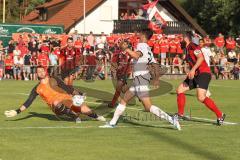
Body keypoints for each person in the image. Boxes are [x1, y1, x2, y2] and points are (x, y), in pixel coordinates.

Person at [100, 29, 181, 130]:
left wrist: (126, 49)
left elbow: (137, 55)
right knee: (124, 100)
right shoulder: (148, 48)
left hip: (141, 79)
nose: (138, 35)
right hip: (139, 79)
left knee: (148, 107)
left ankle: (172, 119)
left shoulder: (141, 45)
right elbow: (155, 64)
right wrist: (156, 78)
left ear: (143, 35)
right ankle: (112, 123)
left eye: (139, 34)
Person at [4, 66, 106, 123]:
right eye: (38, 71)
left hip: (67, 99)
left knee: (86, 111)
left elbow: (66, 87)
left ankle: (97, 117)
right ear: (37, 74)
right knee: (57, 102)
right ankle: (74, 116)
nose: (41, 72)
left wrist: (79, 93)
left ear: (45, 72)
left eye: (42, 70)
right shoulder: (37, 88)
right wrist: (17, 111)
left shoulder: (54, 79)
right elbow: (28, 102)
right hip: (56, 106)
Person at [175, 32, 225, 126]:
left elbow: (201, 58)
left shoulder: (193, 46)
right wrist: (188, 70)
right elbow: (191, 62)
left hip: (203, 73)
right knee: (179, 90)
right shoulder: (186, 49)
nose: (179, 40)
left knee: (201, 97)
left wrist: (193, 70)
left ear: (186, 38)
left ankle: (220, 115)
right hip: (196, 74)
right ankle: (180, 114)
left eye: (180, 38)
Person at [108, 41, 132, 108]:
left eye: (126, 44)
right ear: (120, 45)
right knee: (123, 89)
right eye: (123, 44)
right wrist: (116, 67)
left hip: (126, 72)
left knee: (118, 87)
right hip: (119, 72)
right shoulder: (117, 53)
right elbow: (113, 62)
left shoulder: (130, 53)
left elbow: (134, 61)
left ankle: (112, 103)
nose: (125, 45)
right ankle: (136, 91)